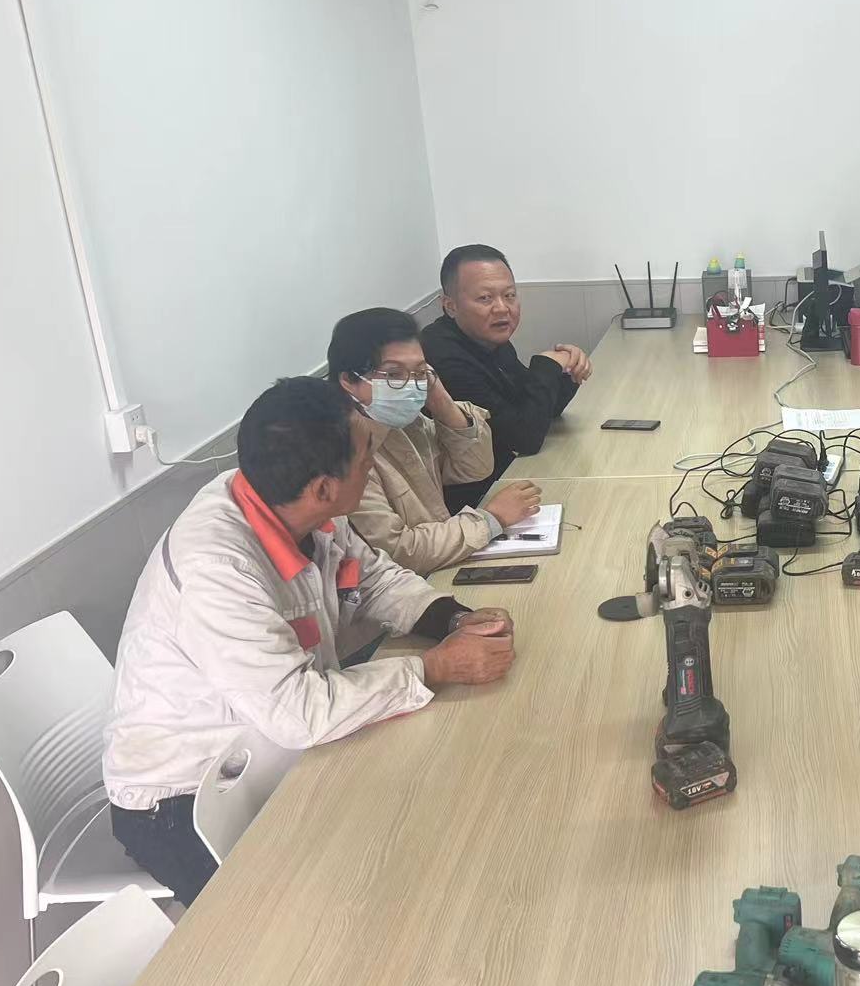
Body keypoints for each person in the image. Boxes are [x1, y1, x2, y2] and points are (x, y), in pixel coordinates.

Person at [103, 378, 517, 905]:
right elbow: (298, 713)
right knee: (306, 913)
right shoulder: (217, 567)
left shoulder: (295, 503)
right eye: (366, 458)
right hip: (183, 796)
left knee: (407, 839)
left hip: (274, 748)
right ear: (324, 488)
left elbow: (371, 578)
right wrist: (433, 668)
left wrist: (454, 619)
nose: (373, 463)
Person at [327, 307, 544, 574]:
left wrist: (440, 399)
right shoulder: (343, 454)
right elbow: (398, 553)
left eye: (419, 372)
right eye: (393, 375)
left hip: (439, 566)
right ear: (349, 380)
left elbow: (474, 468)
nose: (410, 386)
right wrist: (491, 519)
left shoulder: (402, 422)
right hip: (410, 582)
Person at [420, 244, 592, 508]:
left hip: (505, 478)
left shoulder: (487, 338)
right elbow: (523, 437)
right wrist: (546, 366)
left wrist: (568, 370)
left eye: (509, 295)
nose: (502, 308)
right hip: (470, 503)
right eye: (485, 298)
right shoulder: (443, 356)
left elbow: (539, 410)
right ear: (450, 306)